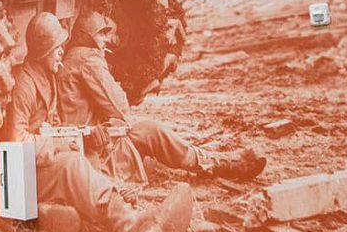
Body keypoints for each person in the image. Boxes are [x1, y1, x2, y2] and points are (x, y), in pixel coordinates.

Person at [5, 12, 193, 232]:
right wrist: (58, 145)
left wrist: (85, 134)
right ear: (44, 50)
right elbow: (15, 142)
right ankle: (133, 229)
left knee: (84, 160)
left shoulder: (48, 76)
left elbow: (53, 124)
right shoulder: (25, 83)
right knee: (73, 165)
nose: (62, 52)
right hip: (25, 173)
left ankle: (119, 217)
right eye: (57, 47)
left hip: (43, 162)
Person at [58, 11, 266, 181]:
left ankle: (212, 161)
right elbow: (120, 107)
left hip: (87, 149)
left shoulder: (73, 58)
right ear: (87, 37)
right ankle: (219, 164)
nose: (106, 41)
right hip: (93, 157)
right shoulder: (88, 59)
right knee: (152, 132)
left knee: (148, 130)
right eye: (101, 35)